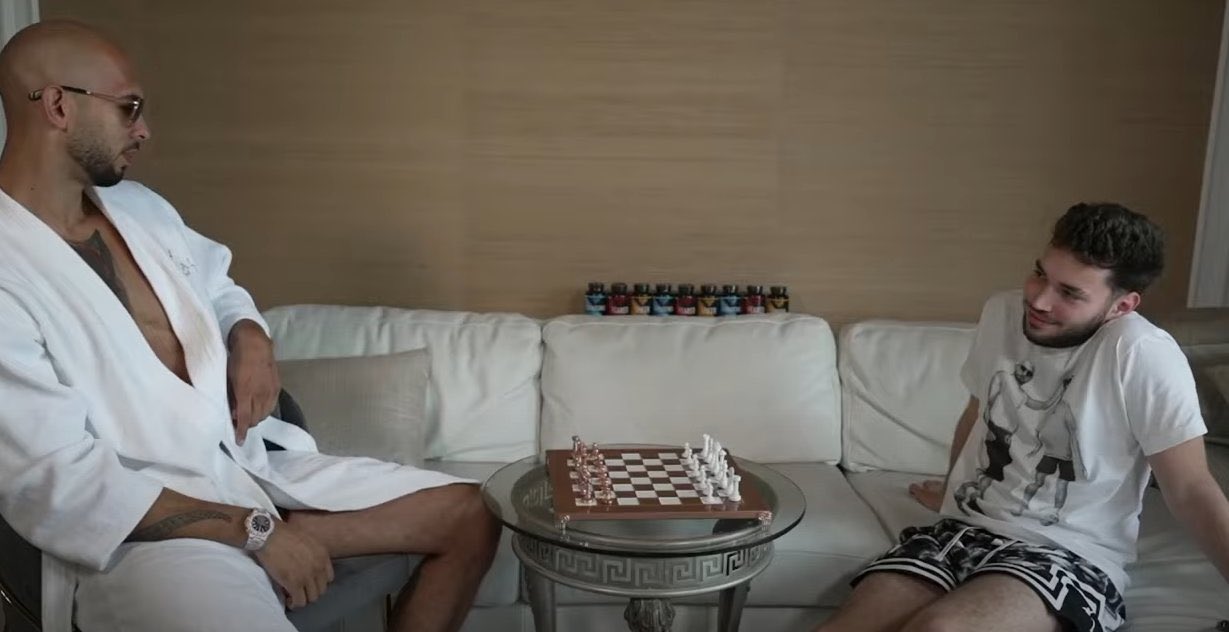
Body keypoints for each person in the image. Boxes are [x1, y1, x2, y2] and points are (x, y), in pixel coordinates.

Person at [0, 20, 499, 632]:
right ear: (58, 105)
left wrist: (250, 334)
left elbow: (219, 284)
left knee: (471, 514)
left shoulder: (140, 209)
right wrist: (255, 531)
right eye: (129, 107)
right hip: (147, 536)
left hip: (247, 472)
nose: (144, 129)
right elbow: (57, 480)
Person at [815, 202, 1229, 632]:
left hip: (1070, 553)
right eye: (1040, 274)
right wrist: (953, 489)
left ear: (1121, 305)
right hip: (961, 532)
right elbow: (978, 413)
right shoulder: (1003, 311)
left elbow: (1191, 489)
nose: (1039, 299)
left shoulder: (1142, 353)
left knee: (940, 629)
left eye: (1070, 293)